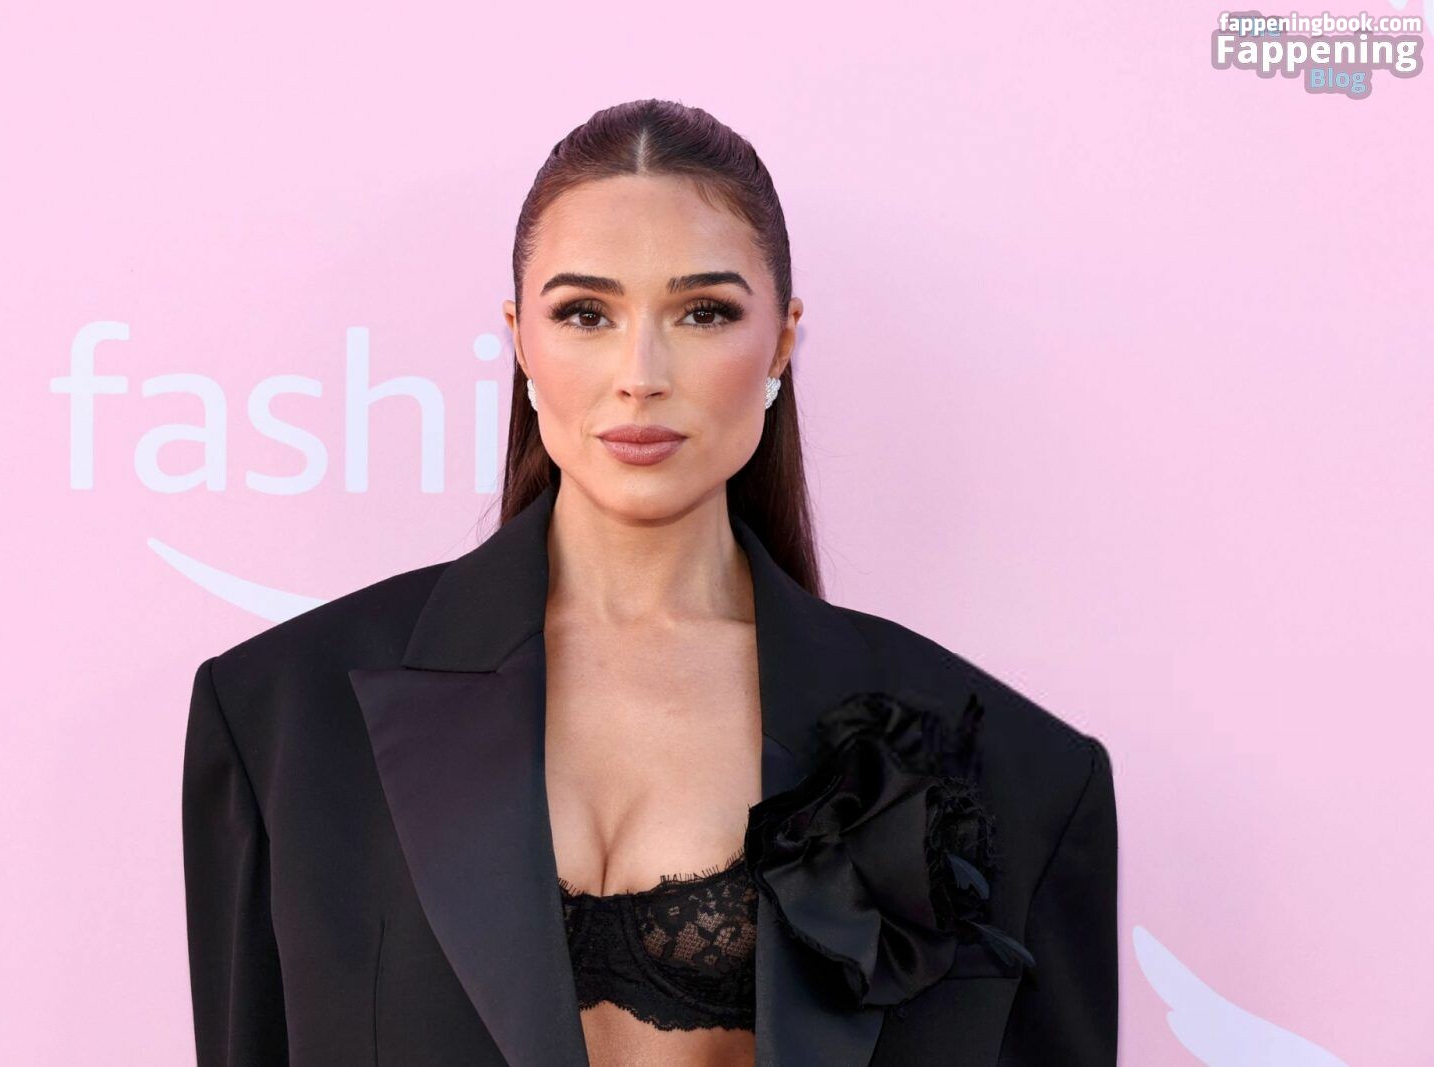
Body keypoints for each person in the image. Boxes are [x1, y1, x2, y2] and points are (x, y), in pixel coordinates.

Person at [182, 98, 1118, 1066]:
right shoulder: (281, 717)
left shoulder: (1018, 771)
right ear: (519, 338)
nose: (640, 373)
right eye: (585, 313)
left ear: (782, 340)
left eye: (703, 312)